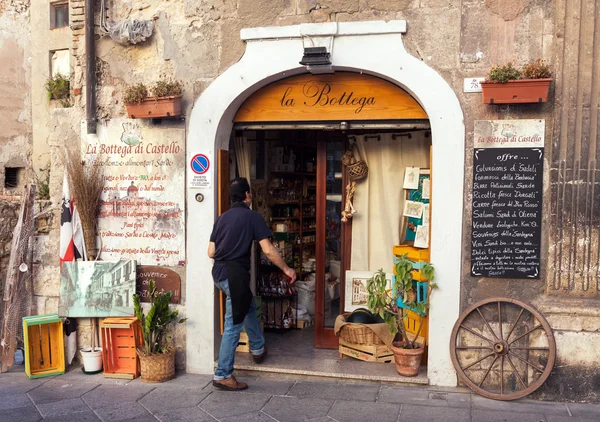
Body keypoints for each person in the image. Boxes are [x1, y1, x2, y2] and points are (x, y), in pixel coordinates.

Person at [208, 177, 296, 391]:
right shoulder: (252, 217)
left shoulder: (222, 218)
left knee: (246, 306)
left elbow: (210, 252)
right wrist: (286, 269)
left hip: (219, 273)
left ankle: (257, 348)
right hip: (235, 275)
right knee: (232, 325)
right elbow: (268, 250)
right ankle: (223, 375)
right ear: (247, 195)